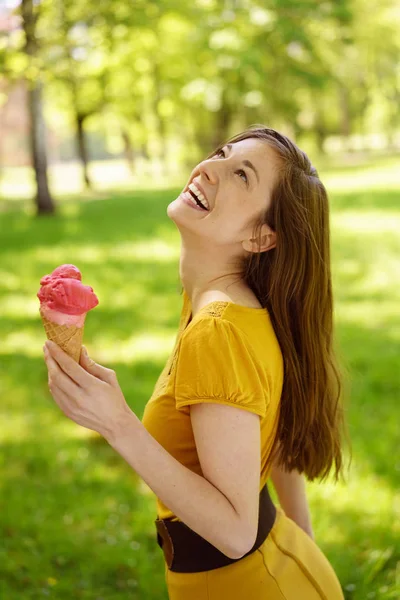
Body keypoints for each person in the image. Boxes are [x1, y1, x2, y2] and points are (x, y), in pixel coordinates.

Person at [43, 125, 347, 600]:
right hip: (274, 572)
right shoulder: (224, 302)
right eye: (222, 154)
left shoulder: (218, 328)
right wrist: (303, 535)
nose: (208, 168)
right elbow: (279, 427)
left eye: (241, 175)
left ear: (261, 237)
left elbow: (234, 532)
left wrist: (116, 423)